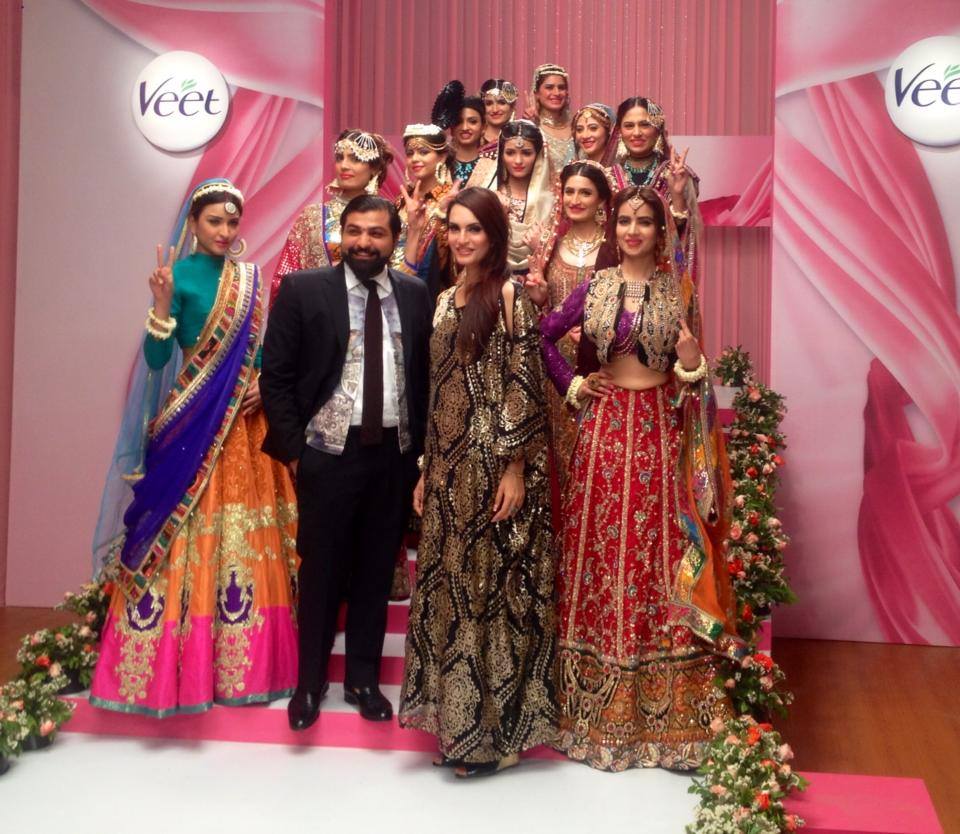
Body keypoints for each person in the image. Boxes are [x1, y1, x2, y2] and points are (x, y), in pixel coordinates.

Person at [540, 186, 741, 771]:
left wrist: (691, 362)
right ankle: (589, 703)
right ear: (614, 227)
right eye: (624, 220)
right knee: (600, 550)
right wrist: (574, 384)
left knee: (654, 548)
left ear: (659, 232)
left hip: (657, 430)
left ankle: (664, 703)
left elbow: (694, 374)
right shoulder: (596, 286)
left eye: (644, 222)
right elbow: (543, 334)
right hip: (603, 431)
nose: (632, 230)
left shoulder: (679, 292)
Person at [89, 179, 298, 717]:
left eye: (232, 222)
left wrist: (263, 382)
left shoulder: (249, 278)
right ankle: (175, 667)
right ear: (193, 224)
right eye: (215, 222)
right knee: (183, 534)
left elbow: (257, 352)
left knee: (243, 538)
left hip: (245, 427)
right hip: (192, 424)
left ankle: (247, 664)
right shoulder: (177, 278)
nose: (225, 231)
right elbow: (158, 361)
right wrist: (162, 305)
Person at [399, 187, 556, 778]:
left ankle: (492, 740)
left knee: (491, 599)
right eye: (456, 228)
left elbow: (525, 381)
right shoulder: (444, 299)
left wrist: (514, 467)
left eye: (475, 229)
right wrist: (426, 469)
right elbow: (437, 389)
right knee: (451, 595)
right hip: (446, 473)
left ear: (494, 236)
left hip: (493, 471)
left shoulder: (508, 296)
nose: (463, 239)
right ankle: (458, 725)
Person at [261, 195, 432, 729]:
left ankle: (363, 680)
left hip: (394, 456)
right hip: (328, 454)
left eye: (376, 233)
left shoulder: (415, 293)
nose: (363, 242)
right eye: (354, 231)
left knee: (376, 571)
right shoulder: (304, 289)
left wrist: (422, 457)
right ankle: (309, 684)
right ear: (341, 234)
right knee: (321, 571)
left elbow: (424, 377)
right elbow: (276, 376)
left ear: (394, 239)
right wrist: (296, 451)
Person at [524, 160, 612, 489]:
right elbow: (541, 316)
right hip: (554, 367)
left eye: (585, 193)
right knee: (556, 458)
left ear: (601, 199)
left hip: (599, 366)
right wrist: (539, 299)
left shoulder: (613, 249)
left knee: (595, 457)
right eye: (570, 191)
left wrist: (594, 334)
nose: (575, 199)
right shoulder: (549, 246)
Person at [272, 129, 394, 298]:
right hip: (317, 309)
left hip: (373, 307)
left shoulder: (388, 217)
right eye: (339, 158)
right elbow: (284, 279)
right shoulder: (312, 217)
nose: (344, 165)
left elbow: (400, 275)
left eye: (355, 159)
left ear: (374, 168)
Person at [608, 97, 703, 284]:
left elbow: (682, 238)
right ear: (620, 132)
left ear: (658, 129)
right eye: (629, 126)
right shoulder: (607, 176)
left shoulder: (675, 174)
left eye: (645, 125)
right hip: (613, 276)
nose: (636, 133)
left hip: (661, 278)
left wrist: (677, 195)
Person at [467, 120, 554, 275]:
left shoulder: (551, 200)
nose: (518, 161)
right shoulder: (488, 193)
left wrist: (542, 246)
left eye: (526, 153)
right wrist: (494, 214)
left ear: (538, 155)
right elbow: (467, 240)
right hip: (490, 278)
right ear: (501, 154)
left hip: (535, 281)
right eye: (510, 153)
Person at [395, 123, 457, 299]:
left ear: (442, 157)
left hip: (433, 294)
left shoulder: (451, 200)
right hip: (395, 288)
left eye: (423, 152)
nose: (415, 158)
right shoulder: (401, 200)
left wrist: (442, 217)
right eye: (410, 153)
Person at [430, 80, 487, 184]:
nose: (465, 127)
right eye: (458, 122)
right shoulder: (438, 166)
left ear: (483, 127)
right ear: (451, 128)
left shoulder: (494, 168)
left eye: (472, 122)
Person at [525, 63, 575, 173]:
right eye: (549, 87)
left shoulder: (577, 128)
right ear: (537, 93)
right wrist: (529, 126)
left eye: (561, 88)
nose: (556, 93)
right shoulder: (532, 127)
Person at [479, 78, 519, 149]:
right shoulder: (473, 138)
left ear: (512, 106)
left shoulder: (521, 138)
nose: (495, 110)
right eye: (489, 103)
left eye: (501, 103)